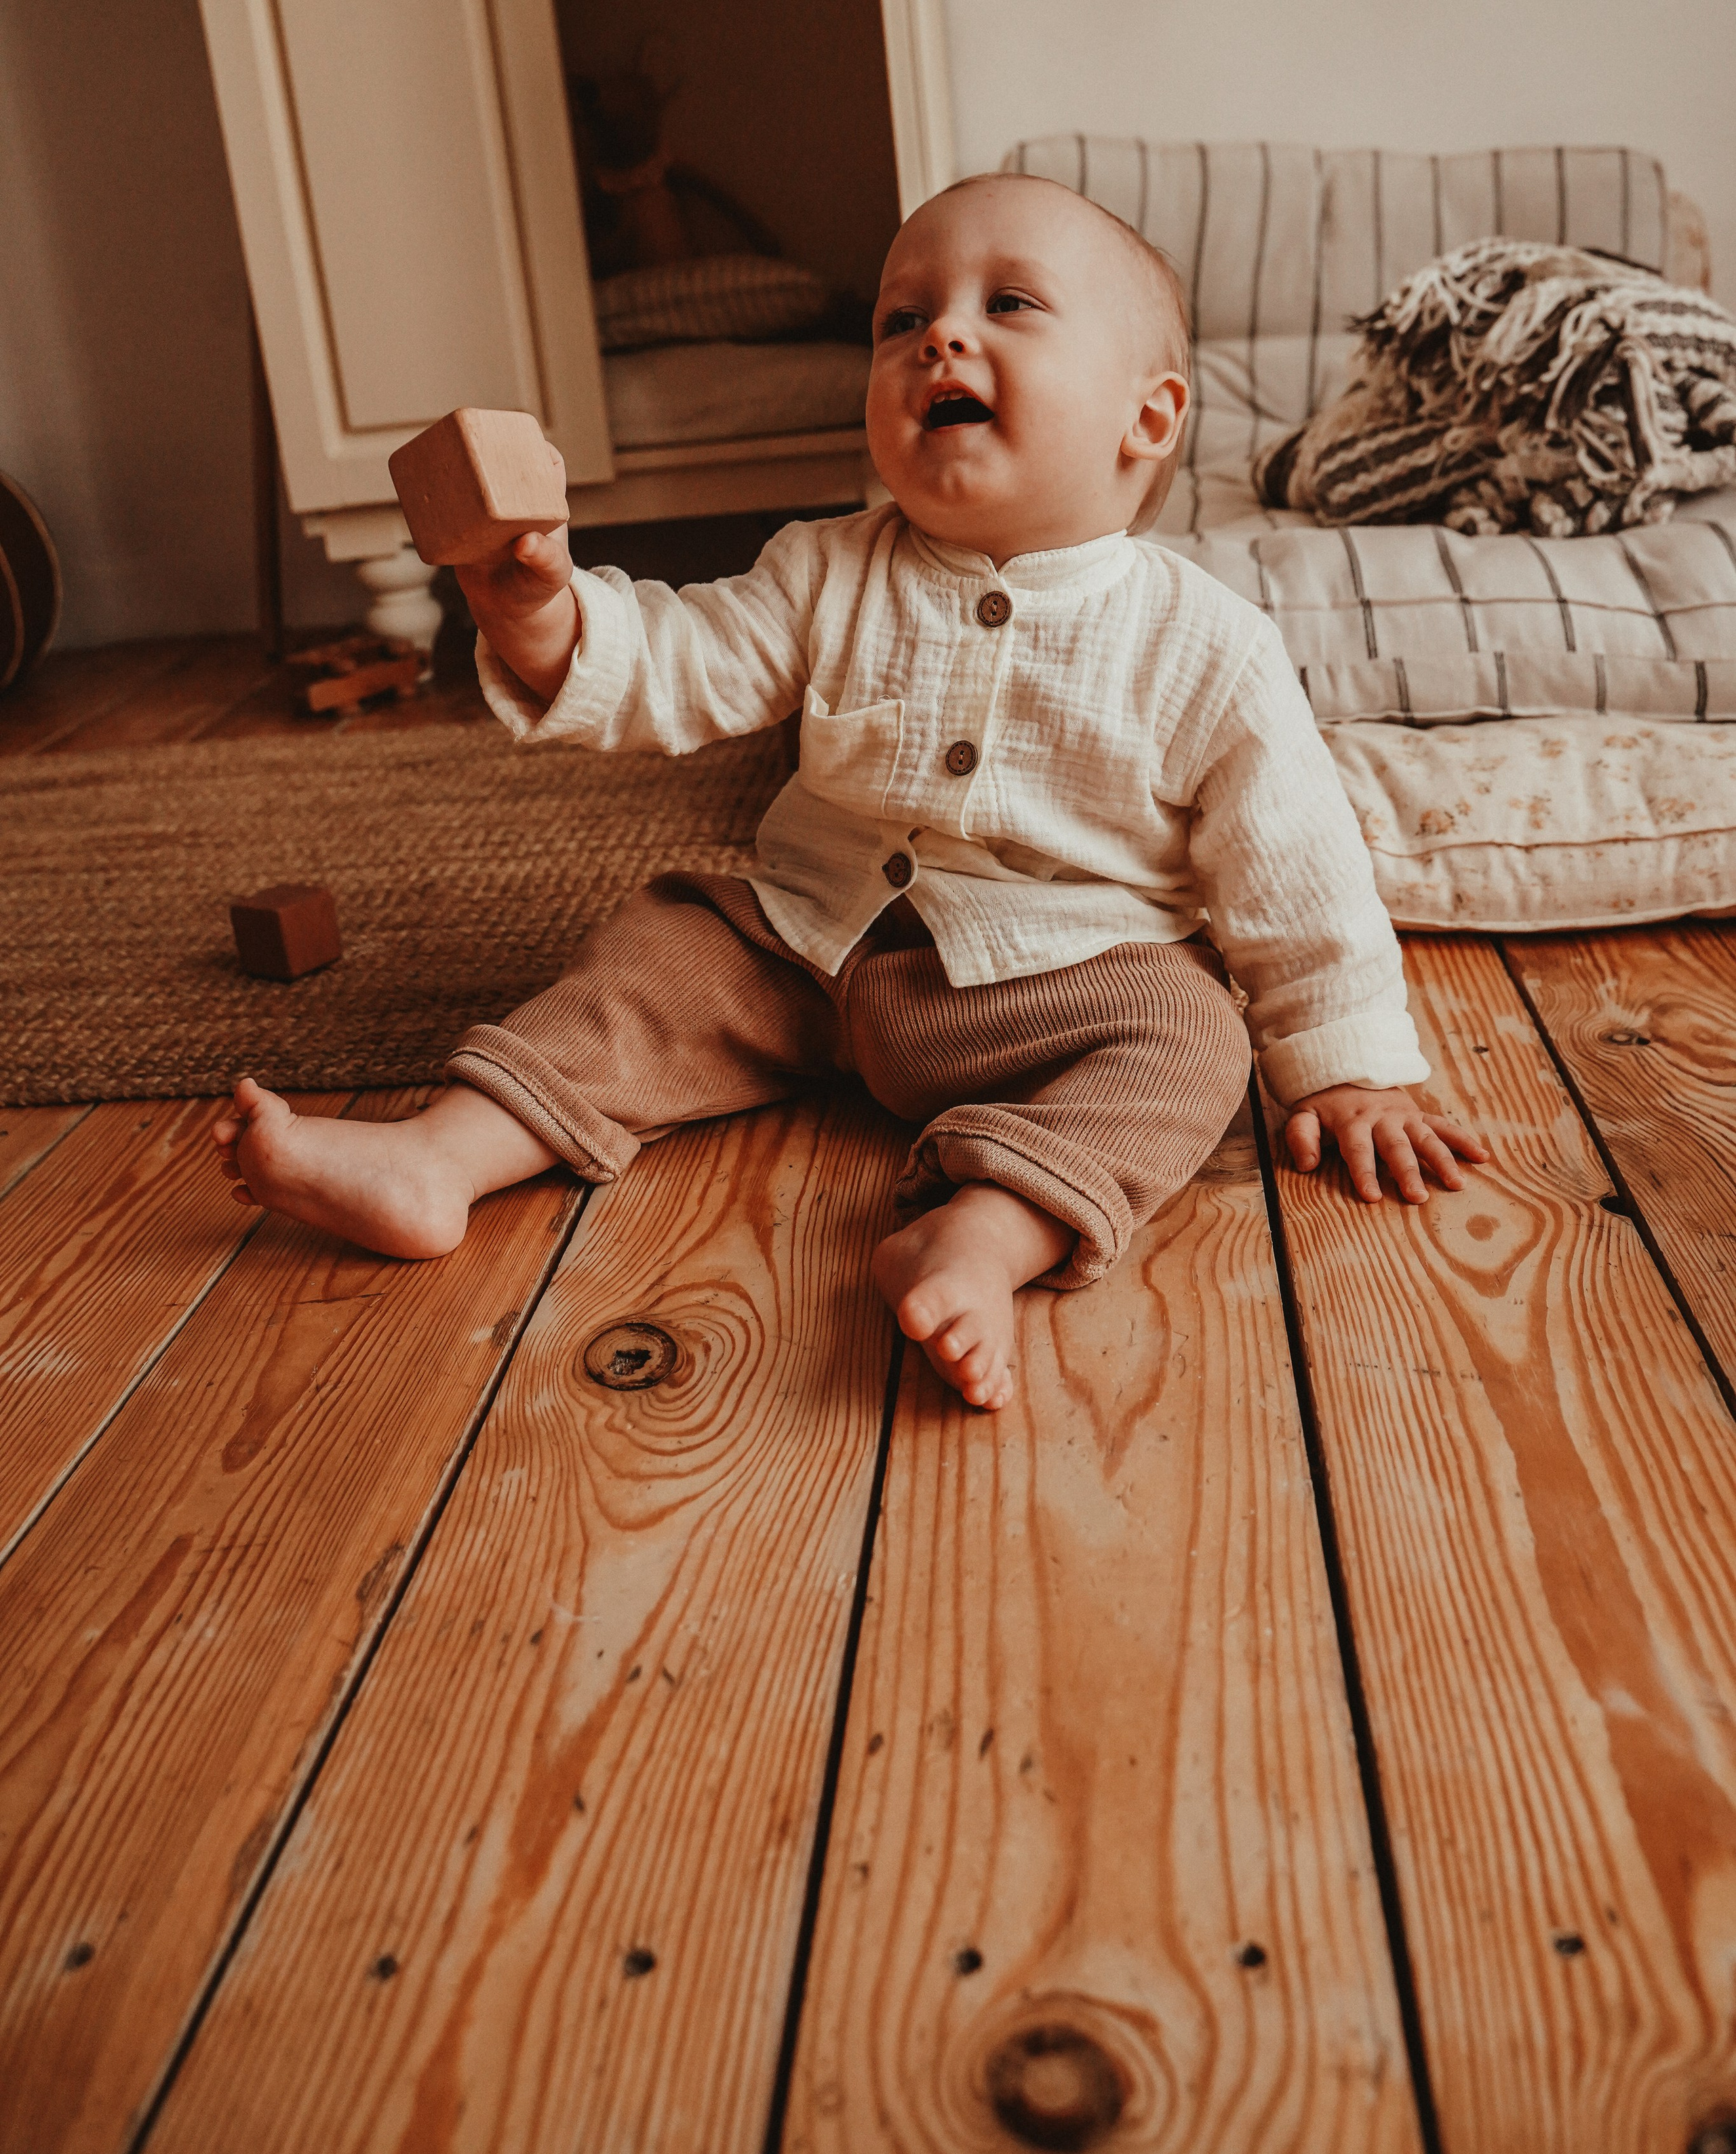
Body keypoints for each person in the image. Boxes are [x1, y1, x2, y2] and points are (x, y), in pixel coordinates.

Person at [212, 174, 1486, 1411]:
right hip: (803, 954)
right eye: (901, 318)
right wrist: (540, 618)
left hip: (1055, 986)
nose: (941, 336)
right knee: (661, 950)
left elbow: (1295, 868)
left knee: (1192, 1038)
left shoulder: (1208, 646)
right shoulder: (824, 569)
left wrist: (1345, 1067)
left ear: (1145, 420)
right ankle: (441, 1159)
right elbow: (679, 663)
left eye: (1010, 305)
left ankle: (987, 1231)